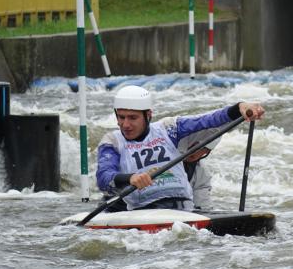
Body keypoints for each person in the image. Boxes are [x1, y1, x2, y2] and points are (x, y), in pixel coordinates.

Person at [96, 85, 264, 211]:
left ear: (148, 115)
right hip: (143, 212)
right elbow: (103, 177)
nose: (125, 124)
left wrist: (239, 108)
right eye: (121, 117)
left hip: (183, 210)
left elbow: (208, 120)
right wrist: (130, 178)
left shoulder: (169, 128)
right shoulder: (112, 141)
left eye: (133, 118)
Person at [178, 131, 221, 210]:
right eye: (194, 145)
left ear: (207, 152)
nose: (195, 151)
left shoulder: (202, 172)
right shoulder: (163, 158)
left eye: (203, 148)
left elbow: (203, 206)